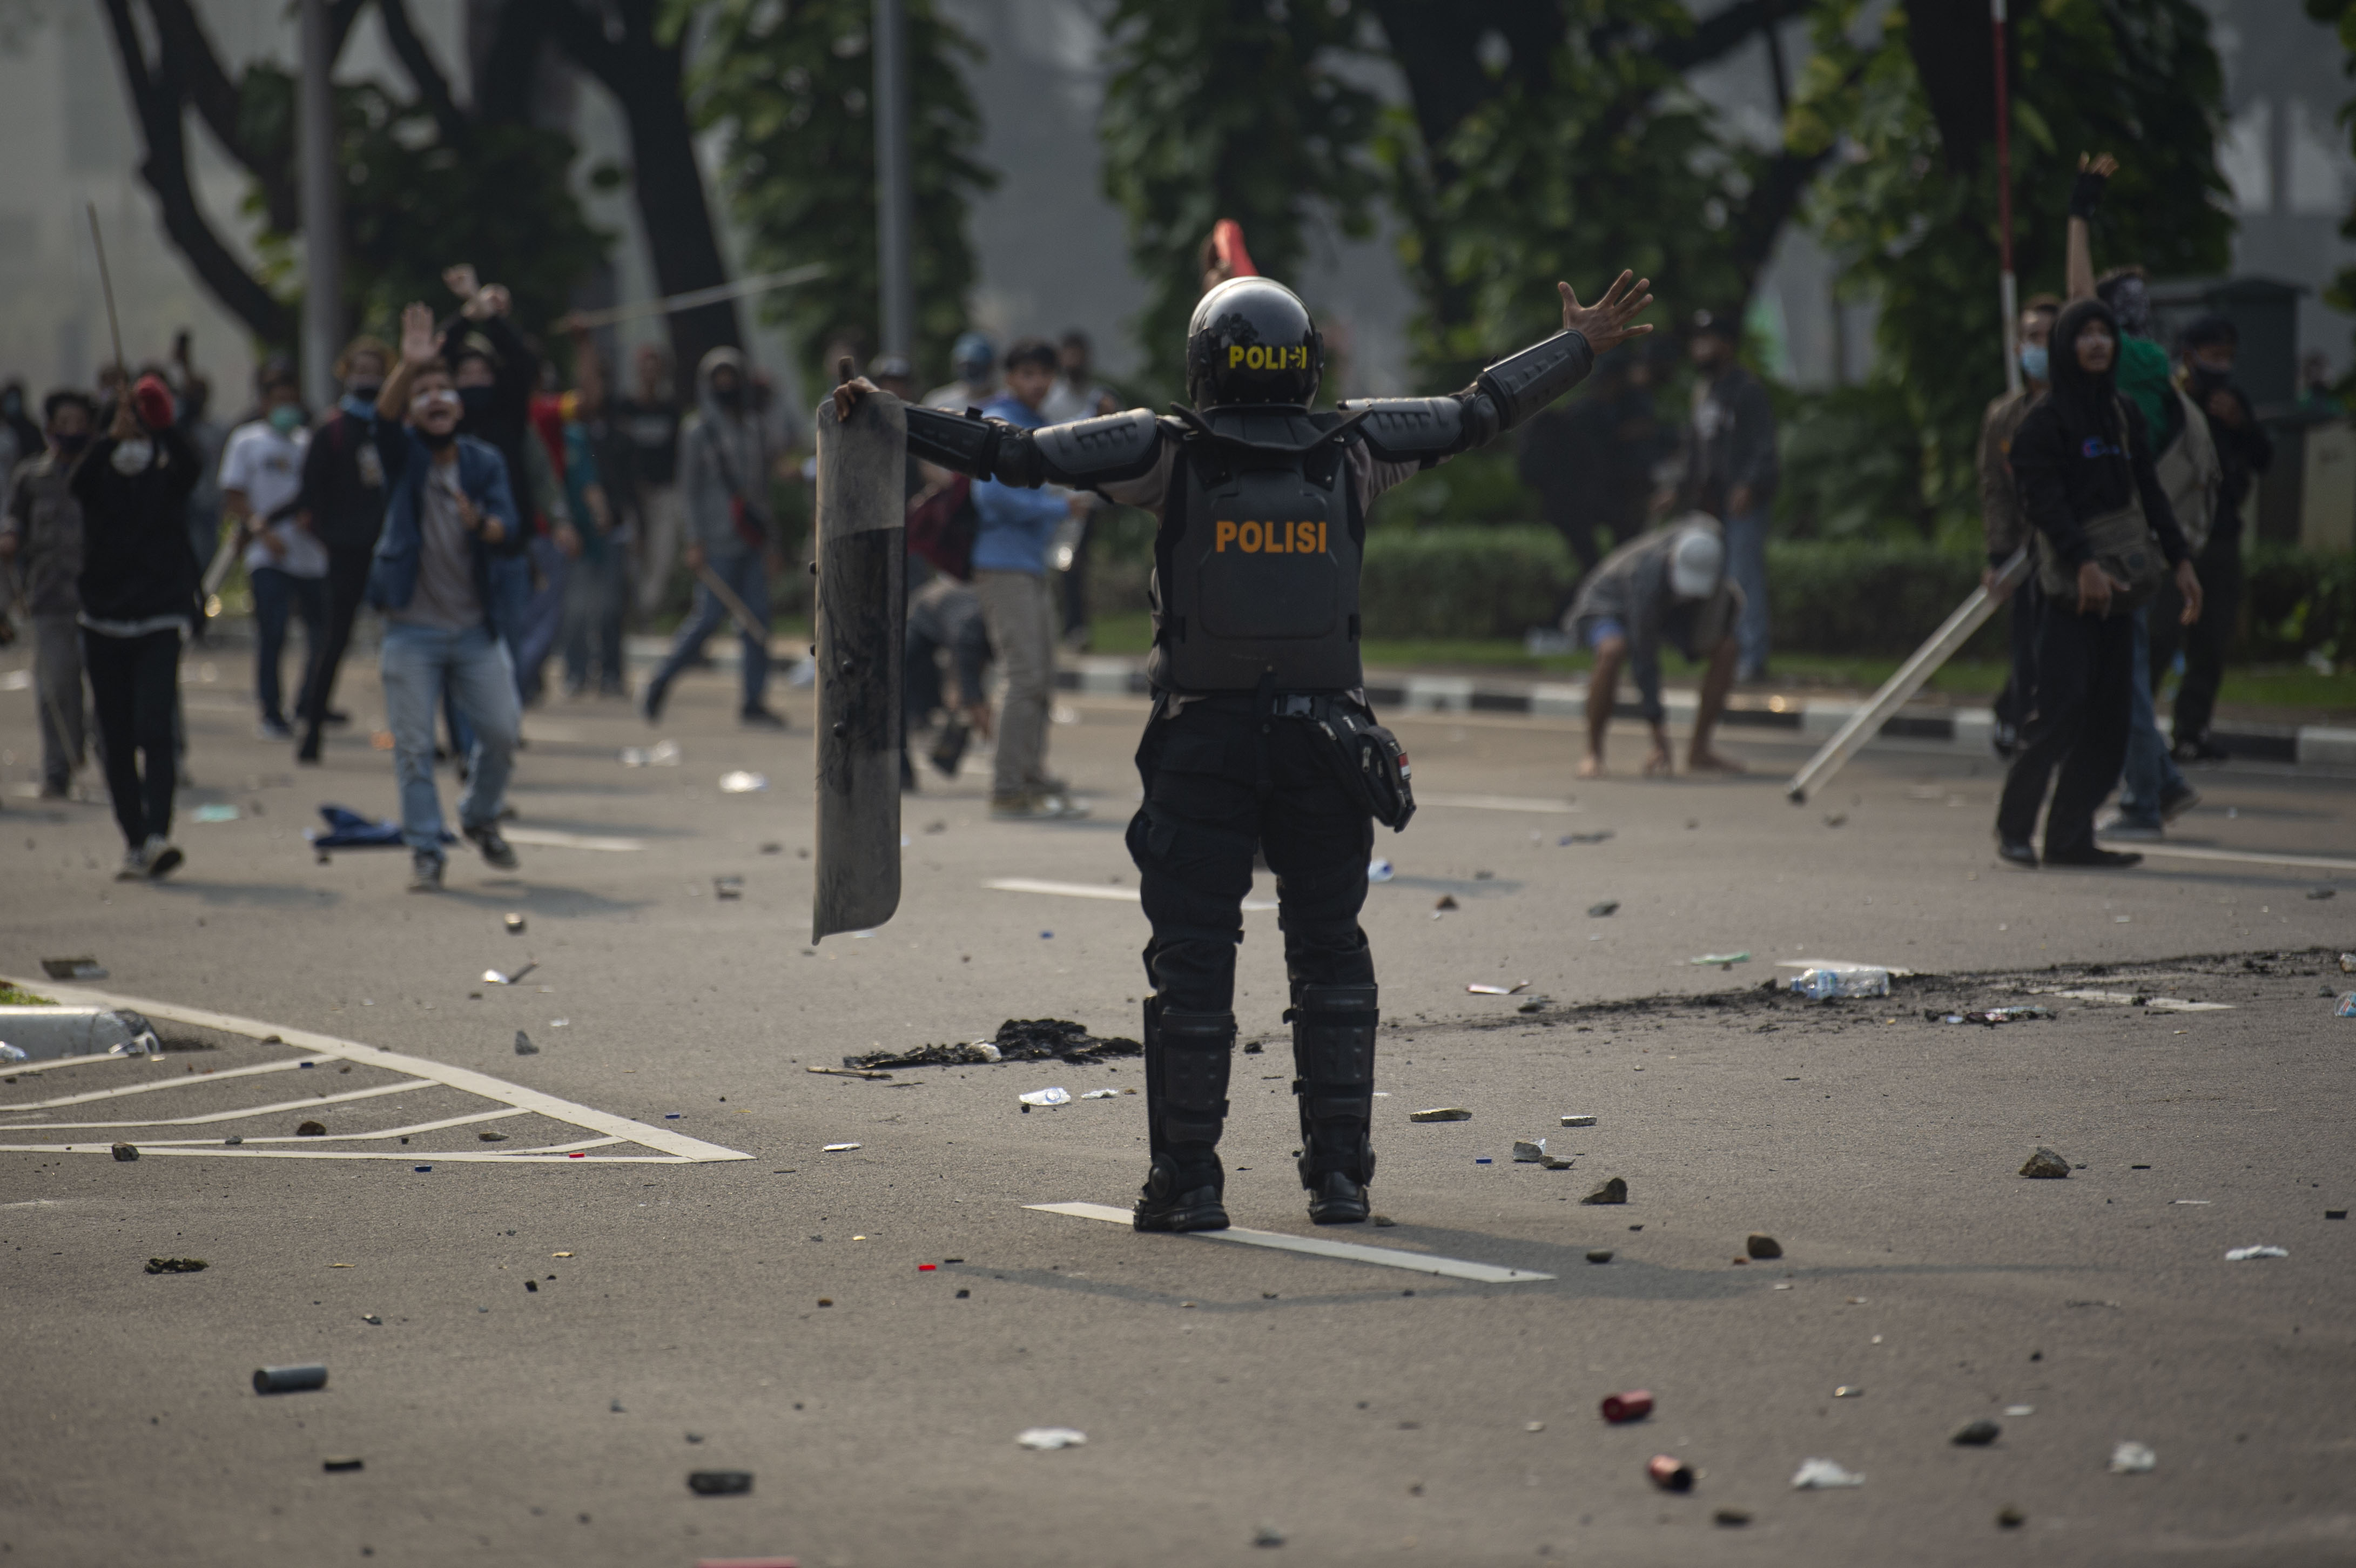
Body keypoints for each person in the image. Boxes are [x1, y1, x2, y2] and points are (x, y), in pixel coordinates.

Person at [833, 266, 1654, 1232]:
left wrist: (892, 417)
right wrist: (1577, 346)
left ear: (1203, 366)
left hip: (1202, 744)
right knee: (1329, 952)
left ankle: (1189, 1182)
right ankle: (1339, 1178)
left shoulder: (1164, 450)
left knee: (1193, 962)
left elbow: (1011, 455)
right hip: (1328, 746)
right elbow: (1482, 408)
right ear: (1304, 366)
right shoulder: (1358, 448)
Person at [1994, 297, 2200, 870]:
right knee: (2058, 712)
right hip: (2068, 590)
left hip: (2121, 590)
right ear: (2067, 346)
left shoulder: (2122, 414)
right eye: (2083, 333)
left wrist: (2181, 560)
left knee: (2110, 721)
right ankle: (2015, 829)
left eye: (2103, 333)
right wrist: (2084, 562)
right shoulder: (2043, 424)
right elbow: (2045, 504)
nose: (2096, 343)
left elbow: (2148, 493)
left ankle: (2069, 837)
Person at [367, 302, 528, 892]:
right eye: (423, 393)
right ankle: (426, 848)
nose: (435, 399)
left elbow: (509, 529)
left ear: (460, 404)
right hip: (411, 630)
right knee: (414, 748)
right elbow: (383, 419)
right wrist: (408, 367)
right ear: (413, 409)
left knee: (502, 733)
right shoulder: (404, 457)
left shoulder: (484, 463)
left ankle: (480, 814)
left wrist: (480, 523)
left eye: (444, 390)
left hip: (475, 628)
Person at [70, 374, 201, 879]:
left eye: (141, 435)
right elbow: (77, 483)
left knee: (155, 727)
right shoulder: (98, 480)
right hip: (103, 621)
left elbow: (191, 466)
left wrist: (159, 423)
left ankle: (159, 831)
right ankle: (135, 838)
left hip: (159, 618)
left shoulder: (165, 481)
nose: (134, 444)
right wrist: (109, 440)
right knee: (115, 736)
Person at [971, 339, 1091, 818]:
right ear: (1010, 379)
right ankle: (1007, 786)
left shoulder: (1037, 423)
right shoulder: (1000, 423)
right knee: (1023, 676)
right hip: (1002, 565)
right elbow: (991, 497)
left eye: (1044, 374)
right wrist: (1057, 508)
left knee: (1042, 675)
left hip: (1031, 564)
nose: (1037, 383)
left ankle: (1032, 775)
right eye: (1027, 374)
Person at [641, 347, 784, 727]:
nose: (726, 386)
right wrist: (694, 539)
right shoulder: (697, 430)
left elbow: (761, 491)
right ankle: (660, 681)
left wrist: (771, 542)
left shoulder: (754, 427)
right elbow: (688, 490)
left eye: (731, 378)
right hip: (715, 541)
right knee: (707, 620)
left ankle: (754, 701)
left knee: (757, 620)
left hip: (751, 541)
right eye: (718, 379)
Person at [2154, 314, 2272, 763]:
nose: (2221, 365)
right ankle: (2133, 730)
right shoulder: (2169, 400)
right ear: (2190, 355)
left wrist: (2241, 423)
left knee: (2212, 640)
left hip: (2221, 535)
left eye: (2228, 357)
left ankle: (2191, 731)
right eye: (2213, 355)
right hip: (2174, 537)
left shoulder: (2233, 403)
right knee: (2160, 635)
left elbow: (2263, 458)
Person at [1561, 519, 1746, 778]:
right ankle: (1593, 753)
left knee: (1727, 650)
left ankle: (1700, 750)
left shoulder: (1713, 556)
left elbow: (1718, 622)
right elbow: (1644, 656)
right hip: (1610, 606)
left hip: (1669, 609)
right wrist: (1658, 733)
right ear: (1672, 563)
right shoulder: (1646, 575)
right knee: (1612, 650)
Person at [292, 336, 393, 763]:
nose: (368, 378)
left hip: (390, 549)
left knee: (407, 644)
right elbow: (308, 496)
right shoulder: (331, 430)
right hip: (346, 550)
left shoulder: (392, 428)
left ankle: (419, 731)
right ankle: (313, 725)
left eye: (375, 371)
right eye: (360, 370)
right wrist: (331, 537)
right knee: (334, 640)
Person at [2, 390, 96, 797]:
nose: (72, 430)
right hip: (48, 595)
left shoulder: (100, 473)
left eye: (80, 423)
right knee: (55, 688)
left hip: (99, 598)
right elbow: (14, 520)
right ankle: (59, 768)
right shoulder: (31, 477)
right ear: (50, 427)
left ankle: (112, 763)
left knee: (105, 689)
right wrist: (10, 539)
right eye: (64, 423)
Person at [219, 366, 321, 739]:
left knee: (321, 634)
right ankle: (271, 711)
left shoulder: (309, 443)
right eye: (279, 401)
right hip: (267, 555)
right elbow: (234, 495)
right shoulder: (247, 441)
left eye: (291, 401)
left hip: (310, 555)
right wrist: (262, 532)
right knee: (273, 632)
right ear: (263, 403)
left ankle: (310, 702)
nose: (286, 408)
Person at [1979, 295, 2061, 757]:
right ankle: (2015, 716)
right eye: (2032, 337)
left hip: (2071, 553)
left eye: (2050, 337)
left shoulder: (2085, 409)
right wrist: (2000, 556)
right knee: (2027, 650)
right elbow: (1995, 489)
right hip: (2026, 558)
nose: (2040, 346)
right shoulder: (2004, 417)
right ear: (2017, 347)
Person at [1682, 308, 1778, 682]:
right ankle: (1723, 653)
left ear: (1726, 345)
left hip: (1742, 501)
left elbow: (1764, 447)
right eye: (1697, 341)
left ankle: (1752, 657)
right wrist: (1678, 489)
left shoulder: (1746, 390)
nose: (1700, 349)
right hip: (1711, 502)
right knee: (1715, 579)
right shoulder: (1703, 392)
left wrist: (1749, 484)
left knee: (1743, 576)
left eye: (1708, 340)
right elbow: (1696, 449)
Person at [557, 326, 628, 699]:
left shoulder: (618, 420)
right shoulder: (568, 427)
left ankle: (612, 674)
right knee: (577, 609)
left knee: (611, 608)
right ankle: (576, 672)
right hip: (578, 530)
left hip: (614, 528)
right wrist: (584, 344)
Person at [611, 342, 684, 619]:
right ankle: (631, 611)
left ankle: (647, 611)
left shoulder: (671, 409)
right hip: (633, 494)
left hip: (663, 491)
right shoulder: (625, 408)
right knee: (634, 552)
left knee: (664, 553)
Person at [924, 332, 998, 412]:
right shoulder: (939, 403)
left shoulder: (1001, 406)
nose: (969, 371)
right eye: (964, 365)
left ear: (991, 366)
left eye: (975, 366)